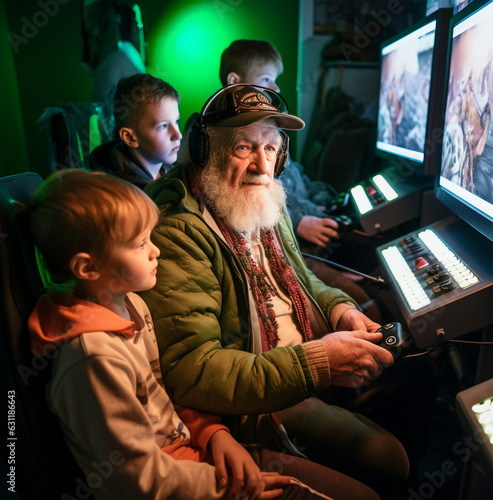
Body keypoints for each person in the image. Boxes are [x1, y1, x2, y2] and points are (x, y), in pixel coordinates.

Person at [140, 84, 432, 497]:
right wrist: (318, 363)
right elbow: (193, 372)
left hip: (309, 354)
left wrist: (340, 312)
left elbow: (303, 281)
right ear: (207, 152)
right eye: (244, 147)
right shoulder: (179, 231)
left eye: (272, 148)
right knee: (390, 462)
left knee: (420, 371)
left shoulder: (263, 198)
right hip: (259, 398)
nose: (262, 164)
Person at [26, 169, 379, 500]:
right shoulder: (93, 359)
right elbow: (133, 478)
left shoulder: (131, 303)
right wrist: (221, 487)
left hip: (200, 452)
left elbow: (166, 397)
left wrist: (214, 434)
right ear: (88, 267)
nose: (156, 250)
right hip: (190, 483)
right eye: (137, 244)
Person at [218, 39, 383, 322]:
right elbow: (248, 201)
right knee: (365, 301)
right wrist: (298, 221)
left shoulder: (269, 129)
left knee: (372, 258)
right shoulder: (229, 134)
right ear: (235, 80)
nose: (276, 88)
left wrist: (321, 203)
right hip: (290, 238)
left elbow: (296, 179)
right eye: (267, 79)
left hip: (303, 224)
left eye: (276, 80)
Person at [89, 73, 182, 189]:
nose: (178, 135)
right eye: (163, 126)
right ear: (129, 137)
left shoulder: (174, 169)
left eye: (176, 121)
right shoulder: (122, 198)